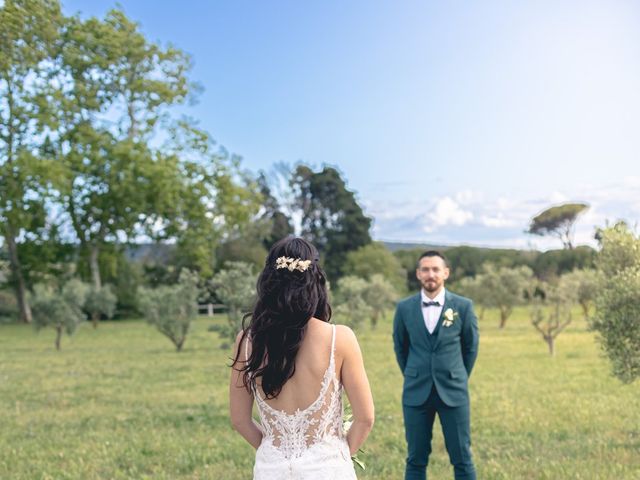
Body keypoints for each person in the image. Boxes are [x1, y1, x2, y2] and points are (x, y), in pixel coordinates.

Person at [229, 236, 374, 479]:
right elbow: (366, 418)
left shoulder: (246, 342)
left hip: (271, 470)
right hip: (328, 469)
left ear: (268, 281)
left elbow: (240, 420)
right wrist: (337, 455)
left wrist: (274, 452)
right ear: (315, 281)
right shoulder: (340, 337)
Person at [393, 250, 479, 480]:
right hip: (415, 392)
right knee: (415, 459)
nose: (430, 274)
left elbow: (470, 348)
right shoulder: (404, 308)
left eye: (435, 269)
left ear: (446, 273)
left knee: (462, 457)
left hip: (453, 391)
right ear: (418, 274)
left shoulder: (463, 307)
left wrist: (457, 374)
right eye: (425, 269)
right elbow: (400, 347)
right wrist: (414, 373)